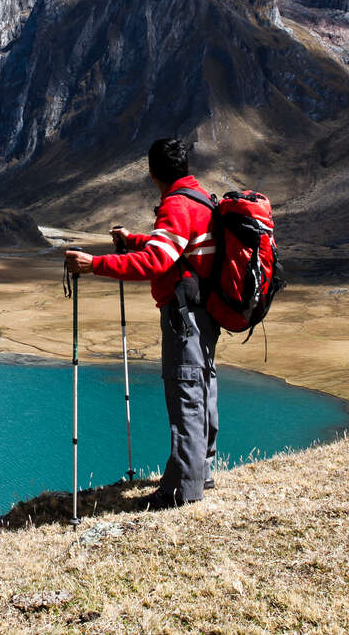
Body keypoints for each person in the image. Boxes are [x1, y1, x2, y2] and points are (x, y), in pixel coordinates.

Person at [64, 138, 219, 509]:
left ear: (153, 173)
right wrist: (134, 240)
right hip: (205, 313)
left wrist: (93, 264)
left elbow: (155, 262)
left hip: (185, 318)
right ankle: (202, 471)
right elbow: (173, 247)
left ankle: (182, 490)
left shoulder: (176, 206)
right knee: (202, 388)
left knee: (185, 394)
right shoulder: (201, 199)